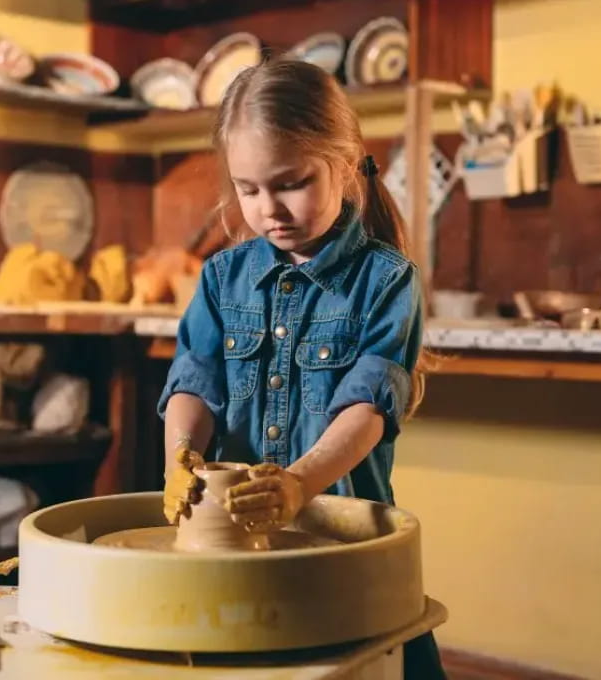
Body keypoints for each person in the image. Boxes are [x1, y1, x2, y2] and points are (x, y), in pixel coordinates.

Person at [158, 58, 445, 678]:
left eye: (291, 183)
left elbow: (366, 408)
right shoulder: (221, 277)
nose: (270, 209)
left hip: (340, 532)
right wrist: (178, 455)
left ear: (343, 166)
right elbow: (194, 381)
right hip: (231, 538)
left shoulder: (386, 280)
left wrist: (298, 484)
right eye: (249, 189)